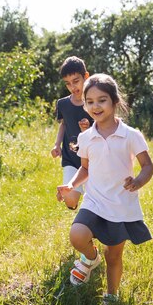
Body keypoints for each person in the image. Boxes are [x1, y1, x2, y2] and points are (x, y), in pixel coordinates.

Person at [57, 73, 153, 305]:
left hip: (120, 205)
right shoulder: (86, 137)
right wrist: (71, 185)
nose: (95, 106)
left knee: (114, 255)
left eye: (101, 100)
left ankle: (111, 296)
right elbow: (85, 169)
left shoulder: (131, 135)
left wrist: (138, 181)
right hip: (95, 201)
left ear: (114, 101)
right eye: (89, 101)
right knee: (77, 235)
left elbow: (148, 166)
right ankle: (90, 258)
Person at [51, 56, 93, 210]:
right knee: (70, 201)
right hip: (71, 157)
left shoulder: (94, 102)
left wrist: (88, 130)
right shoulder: (63, 104)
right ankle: (70, 196)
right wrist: (57, 145)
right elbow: (63, 124)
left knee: (95, 200)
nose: (72, 87)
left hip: (92, 159)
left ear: (86, 77)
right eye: (68, 83)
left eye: (76, 81)